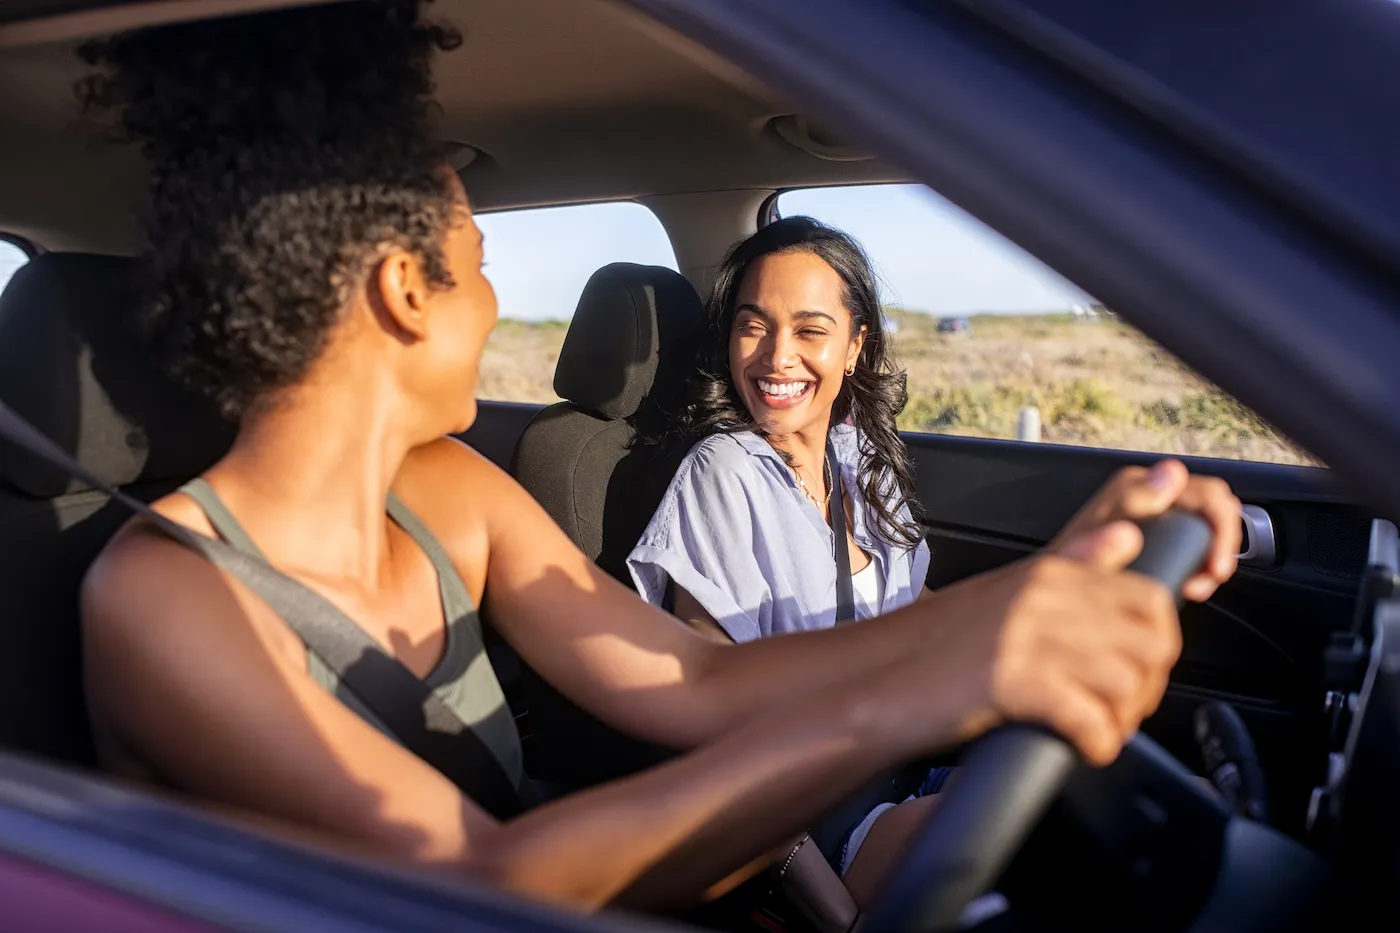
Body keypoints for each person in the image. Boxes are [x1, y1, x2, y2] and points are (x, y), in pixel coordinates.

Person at [77, 0, 1241, 916]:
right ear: (400, 293)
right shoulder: (165, 594)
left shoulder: (444, 492)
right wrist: (900, 706)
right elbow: (476, 888)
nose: (492, 306)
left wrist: (1038, 591)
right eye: (478, 264)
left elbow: (695, 682)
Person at [627, 217, 1241, 904]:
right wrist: (823, 906)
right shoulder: (720, 473)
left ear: (855, 345)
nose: (776, 357)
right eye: (753, 325)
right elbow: (711, 724)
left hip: (916, 762)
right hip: (822, 820)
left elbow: (914, 613)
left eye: (809, 330)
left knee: (1181, 806)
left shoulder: (858, 457)